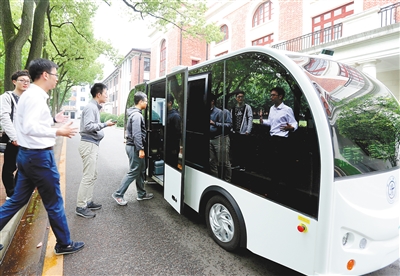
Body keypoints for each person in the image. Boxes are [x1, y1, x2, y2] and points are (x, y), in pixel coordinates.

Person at [0, 58, 84, 255]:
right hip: (38, 158)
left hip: (28, 156)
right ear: (45, 75)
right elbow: (30, 127)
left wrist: (54, 121)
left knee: (17, 200)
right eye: (55, 75)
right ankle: (64, 243)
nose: (56, 79)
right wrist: (58, 131)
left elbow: (30, 124)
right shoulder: (35, 97)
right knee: (54, 202)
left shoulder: (30, 96)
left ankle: (64, 241)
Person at [75, 83, 115, 218]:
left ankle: (88, 201)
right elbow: (88, 126)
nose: (107, 96)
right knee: (88, 176)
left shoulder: (94, 107)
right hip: (89, 144)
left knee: (93, 174)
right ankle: (81, 206)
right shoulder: (91, 107)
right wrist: (105, 124)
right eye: (106, 93)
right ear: (98, 94)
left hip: (92, 144)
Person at [112, 91, 153, 206]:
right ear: (140, 102)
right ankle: (118, 194)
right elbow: (136, 134)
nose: (147, 104)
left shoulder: (135, 114)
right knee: (134, 171)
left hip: (133, 146)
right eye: (146, 101)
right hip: (135, 147)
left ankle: (141, 194)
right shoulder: (137, 116)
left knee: (140, 170)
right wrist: (140, 149)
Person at [260, 87, 298, 189]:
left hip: (282, 141)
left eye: (273, 95)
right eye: (271, 95)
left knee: (282, 165)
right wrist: (263, 121)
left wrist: (292, 127)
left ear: (280, 96)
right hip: (272, 139)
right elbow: (271, 123)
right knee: (272, 164)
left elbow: (294, 123)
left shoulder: (287, 110)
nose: (271, 97)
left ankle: (286, 188)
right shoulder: (272, 109)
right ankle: (274, 186)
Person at [0, 70, 30, 199]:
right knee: (10, 166)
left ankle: (18, 191)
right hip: (13, 138)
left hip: (27, 137)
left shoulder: (28, 99)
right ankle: (11, 193)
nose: (25, 83)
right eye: (22, 80)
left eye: (28, 81)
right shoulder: (6, 97)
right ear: (14, 82)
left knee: (25, 166)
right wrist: (14, 137)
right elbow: (4, 117)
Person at [210, 96, 232, 182]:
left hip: (220, 138)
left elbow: (229, 125)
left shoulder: (222, 112)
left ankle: (227, 181)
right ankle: (215, 180)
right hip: (210, 139)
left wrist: (215, 123)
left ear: (212, 101)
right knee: (212, 161)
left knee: (224, 162)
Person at [230, 90, 253, 171]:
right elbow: (231, 119)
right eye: (239, 97)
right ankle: (236, 164)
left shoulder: (247, 107)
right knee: (236, 149)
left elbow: (250, 118)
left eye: (242, 96)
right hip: (235, 132)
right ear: (236, 98)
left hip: (244, 132)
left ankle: (243, 166)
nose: (240, 98)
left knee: (243, 150)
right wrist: (232, 129)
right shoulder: (233, 108)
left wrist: (248, 130)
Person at [165, 93, 181, 169]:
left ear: (170, 103)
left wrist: (174, 148)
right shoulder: (166, 114)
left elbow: (177, 133)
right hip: (167, 145)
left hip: (172, 146)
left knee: (172, 164)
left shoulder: (175, 116)